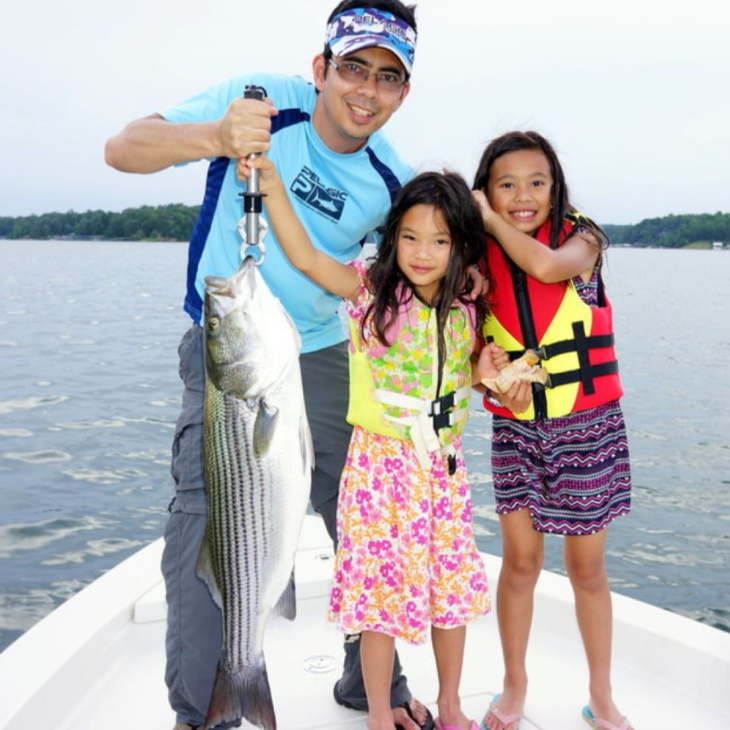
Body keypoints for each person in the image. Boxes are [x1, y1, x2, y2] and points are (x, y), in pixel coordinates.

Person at [104, 3, 441, 729]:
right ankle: (208, 712)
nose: (366, 89)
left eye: (388, 77)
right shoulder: (261, 101)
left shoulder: (390, 179)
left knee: (363, 504)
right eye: (353, 67)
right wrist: (214, 137)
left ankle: (371, 678)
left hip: (320, 347)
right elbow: (123, 149)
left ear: (402, 92)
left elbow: (417, 267)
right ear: (321, 68)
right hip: (230, 343)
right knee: (205, 510)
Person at [243, 157, 492, 730]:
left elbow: (466, 377)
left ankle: (451, 704)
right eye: (409, 236)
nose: (422, 251)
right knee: (379, 604)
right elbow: (306, 258)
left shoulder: (468, 308)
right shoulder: (369, 292)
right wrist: (275, 187)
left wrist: (490, 367)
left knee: (449, 595)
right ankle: (380, 713)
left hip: (445, 473)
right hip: (382, 471)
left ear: (460, 247)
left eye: (439, 239)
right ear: (393, 236)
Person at [470, 131, 634, 730]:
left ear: (556, 187)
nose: (522, 196)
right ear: (486, 186)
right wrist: (483, 370)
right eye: (504, 184)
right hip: (518, 427)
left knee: (587, 569)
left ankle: (602, 694)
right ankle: (514, 687)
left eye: (536, 183)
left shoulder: (582, 237)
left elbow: (543, 265)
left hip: (588, 426)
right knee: (519, 565)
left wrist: (486, 217)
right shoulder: (474, 254)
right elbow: (469, 347)